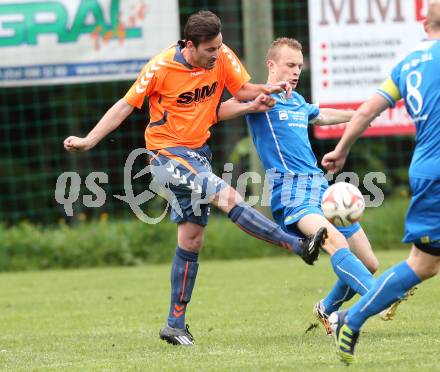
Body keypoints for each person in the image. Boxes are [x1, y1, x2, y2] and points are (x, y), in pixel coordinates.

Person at [63, 11, 328, 346]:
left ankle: (175, 325)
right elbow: (124, 106)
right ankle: (297, 245)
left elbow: (241, 90)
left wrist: (260, 94)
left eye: (219, 47)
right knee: (226, 195)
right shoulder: (161, 67)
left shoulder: (223, 55)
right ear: (190, 45)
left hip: (198, 155)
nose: (217, 54)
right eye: (209, 50)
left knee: (191, 240)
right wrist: (89, 140)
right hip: (165, 155)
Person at [218, 37, 379, 336]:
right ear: (271, 65)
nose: (296, 71)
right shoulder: (259, 97)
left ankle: (326, 308)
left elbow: (322, 115)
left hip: (321, 187)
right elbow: (219, 111)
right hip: (291, 193)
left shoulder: (296, 101)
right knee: (335, 243)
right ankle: (377, 297)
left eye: (300, 66)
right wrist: (252, 103)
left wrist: (361, 115)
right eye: (290, 65)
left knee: (369, 262)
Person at [321, 0, 440, 364]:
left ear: (424, 24)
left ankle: (350, 318)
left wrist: (341, 150)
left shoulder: (406, 66)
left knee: (423, 264)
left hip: (425, 169)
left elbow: (367, 110)